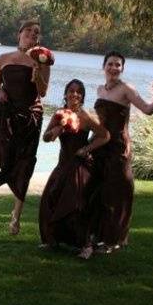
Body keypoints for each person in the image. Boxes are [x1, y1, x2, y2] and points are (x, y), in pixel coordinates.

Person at [92, 51, 153, 253]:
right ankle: (98, 235)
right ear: (104, 66)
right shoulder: (100, 89)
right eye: (110, 64)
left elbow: (146, 109)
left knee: (117, 191)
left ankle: (113, 240)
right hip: (100, 145)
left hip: (118, 145)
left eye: (118, 65)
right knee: (99, 191)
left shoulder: (126, 89)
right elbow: (100, 120)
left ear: (122, 69)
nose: (114, 68)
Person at [0, 19, 51, 235]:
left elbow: (43, 92)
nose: (33, 34)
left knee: (25, 162)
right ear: (19, 33)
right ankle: (4, 173)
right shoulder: (3, 59)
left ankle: (16, 216)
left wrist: (37, 75)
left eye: (37, 32)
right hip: (7, 114)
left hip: (31, 116)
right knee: (4, 152)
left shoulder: (42, 59)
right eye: (29, 31)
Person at [38, 79, 109, 259]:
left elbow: (105, 136)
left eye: (79, 92)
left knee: (76, 204)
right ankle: (52, 240)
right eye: (71, 90)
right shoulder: (58, 114)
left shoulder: (86, 116)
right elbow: (46, 138)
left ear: (83, 96)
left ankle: (86, 246)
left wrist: (86, 149)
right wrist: (57, 129)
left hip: (79, 165)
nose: (74, 94)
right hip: (63, 164)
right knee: (51, 197)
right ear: (66, 93)